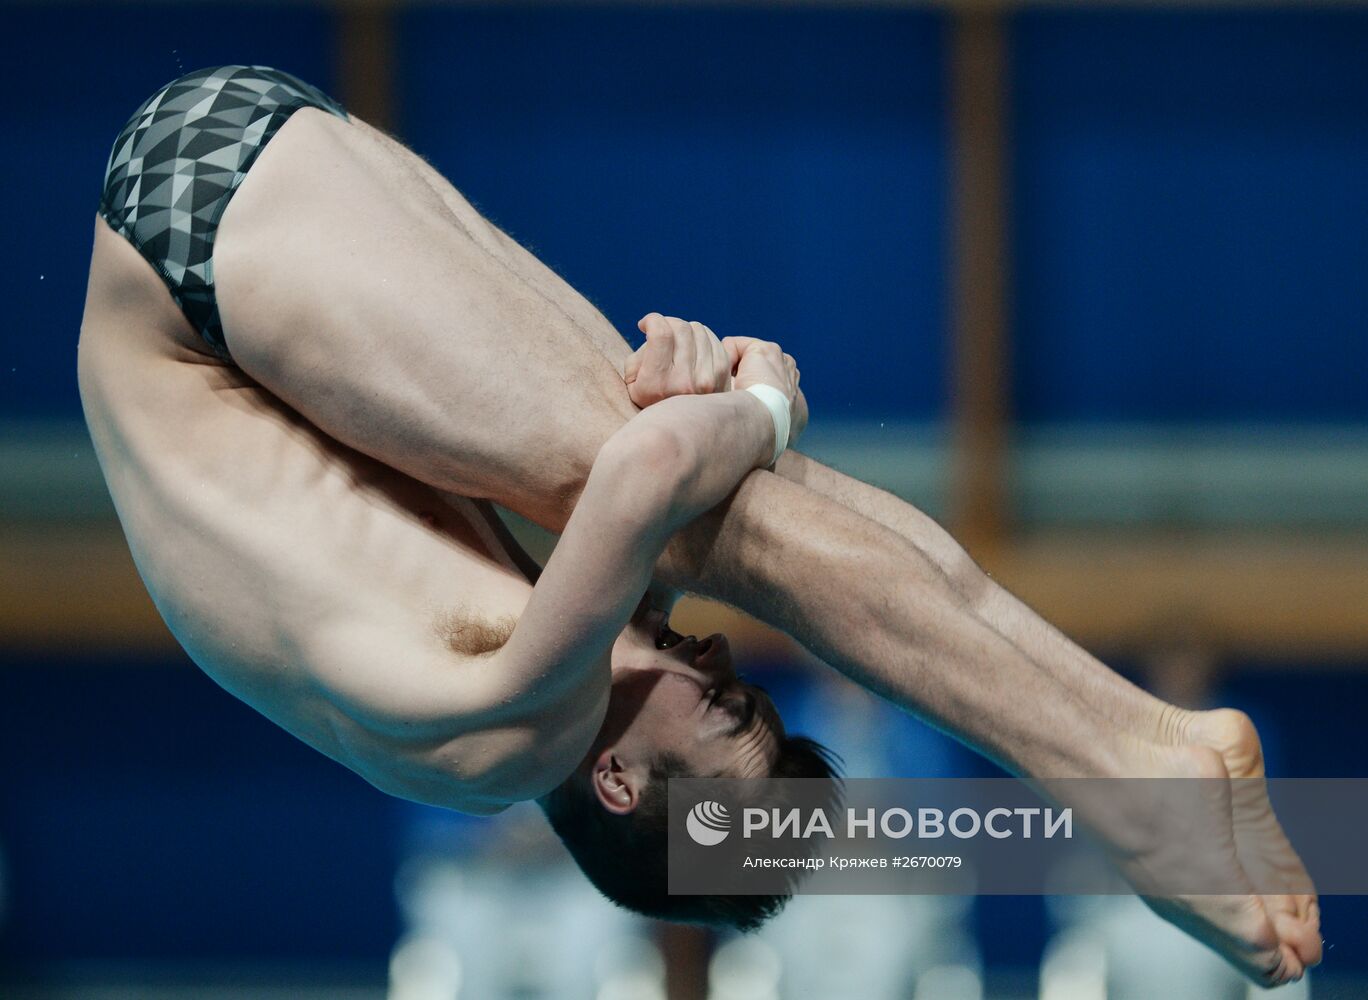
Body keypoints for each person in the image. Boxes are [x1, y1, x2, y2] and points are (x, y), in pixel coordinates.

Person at [79, 66, 1318, 985]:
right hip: (235, 211)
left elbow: (657, 462)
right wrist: (706, 390)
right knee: (720, 515)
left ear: (614, 780)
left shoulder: (502, 732)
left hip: (197, 249)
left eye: (725, 715)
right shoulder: (570, 654)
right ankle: (1144, 740)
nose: (725, 668)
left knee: (718, 524)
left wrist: (763, 399)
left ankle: (1130, 771)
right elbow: (658, 432)